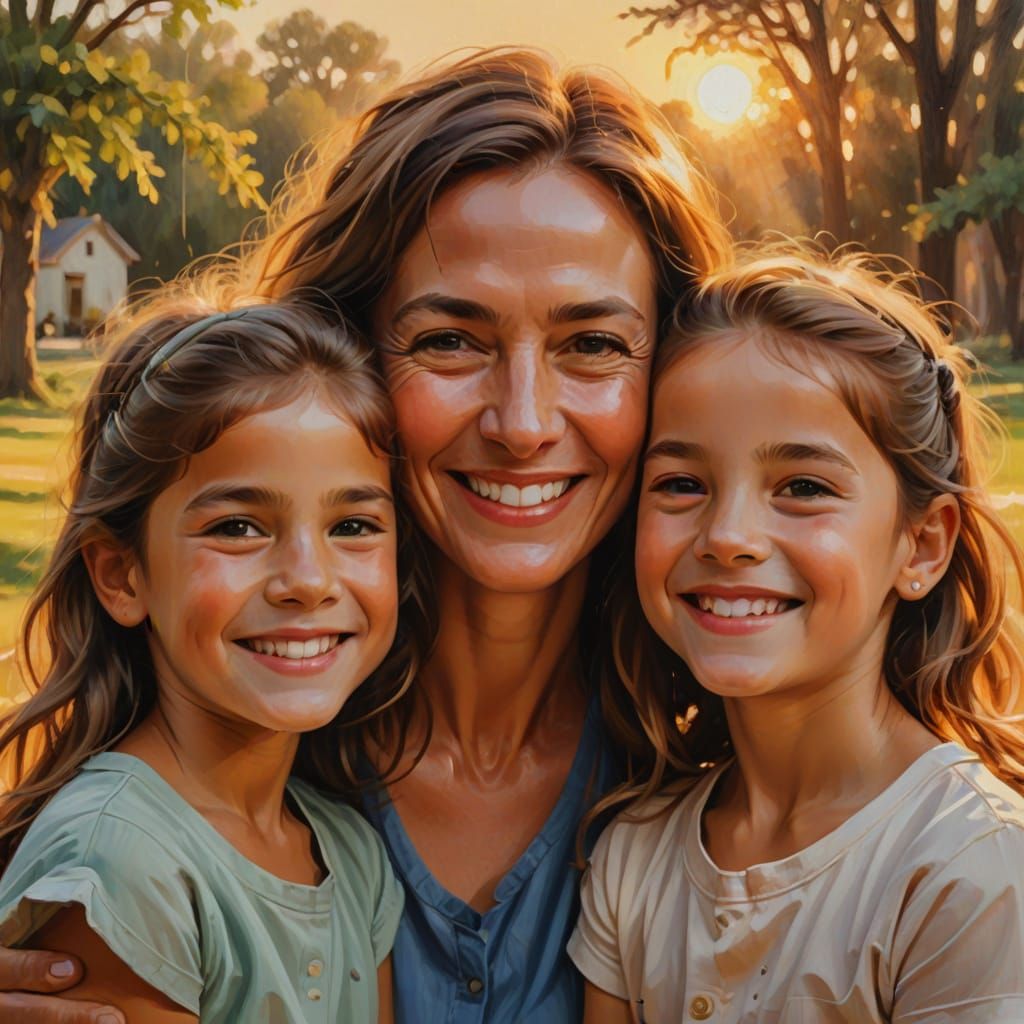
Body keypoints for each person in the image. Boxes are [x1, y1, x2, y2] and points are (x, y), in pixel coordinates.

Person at [0, 49, 730, 1022]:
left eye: (592, 344)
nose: (522, 423)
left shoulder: (725, 769)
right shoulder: (238, 731)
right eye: (449, 340)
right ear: (344, 360)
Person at [569, 246, 1024, 1023]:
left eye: (803, 487)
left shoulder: (967, 869)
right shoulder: (633, 856)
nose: (728, 536)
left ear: (922, 546)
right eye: (682, 484)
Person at [0, 297, 412, 1022]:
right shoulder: (121, 863)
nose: (308, 580)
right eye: (239, 527)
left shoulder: (353, 856)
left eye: (352, 525)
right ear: (122, 576)